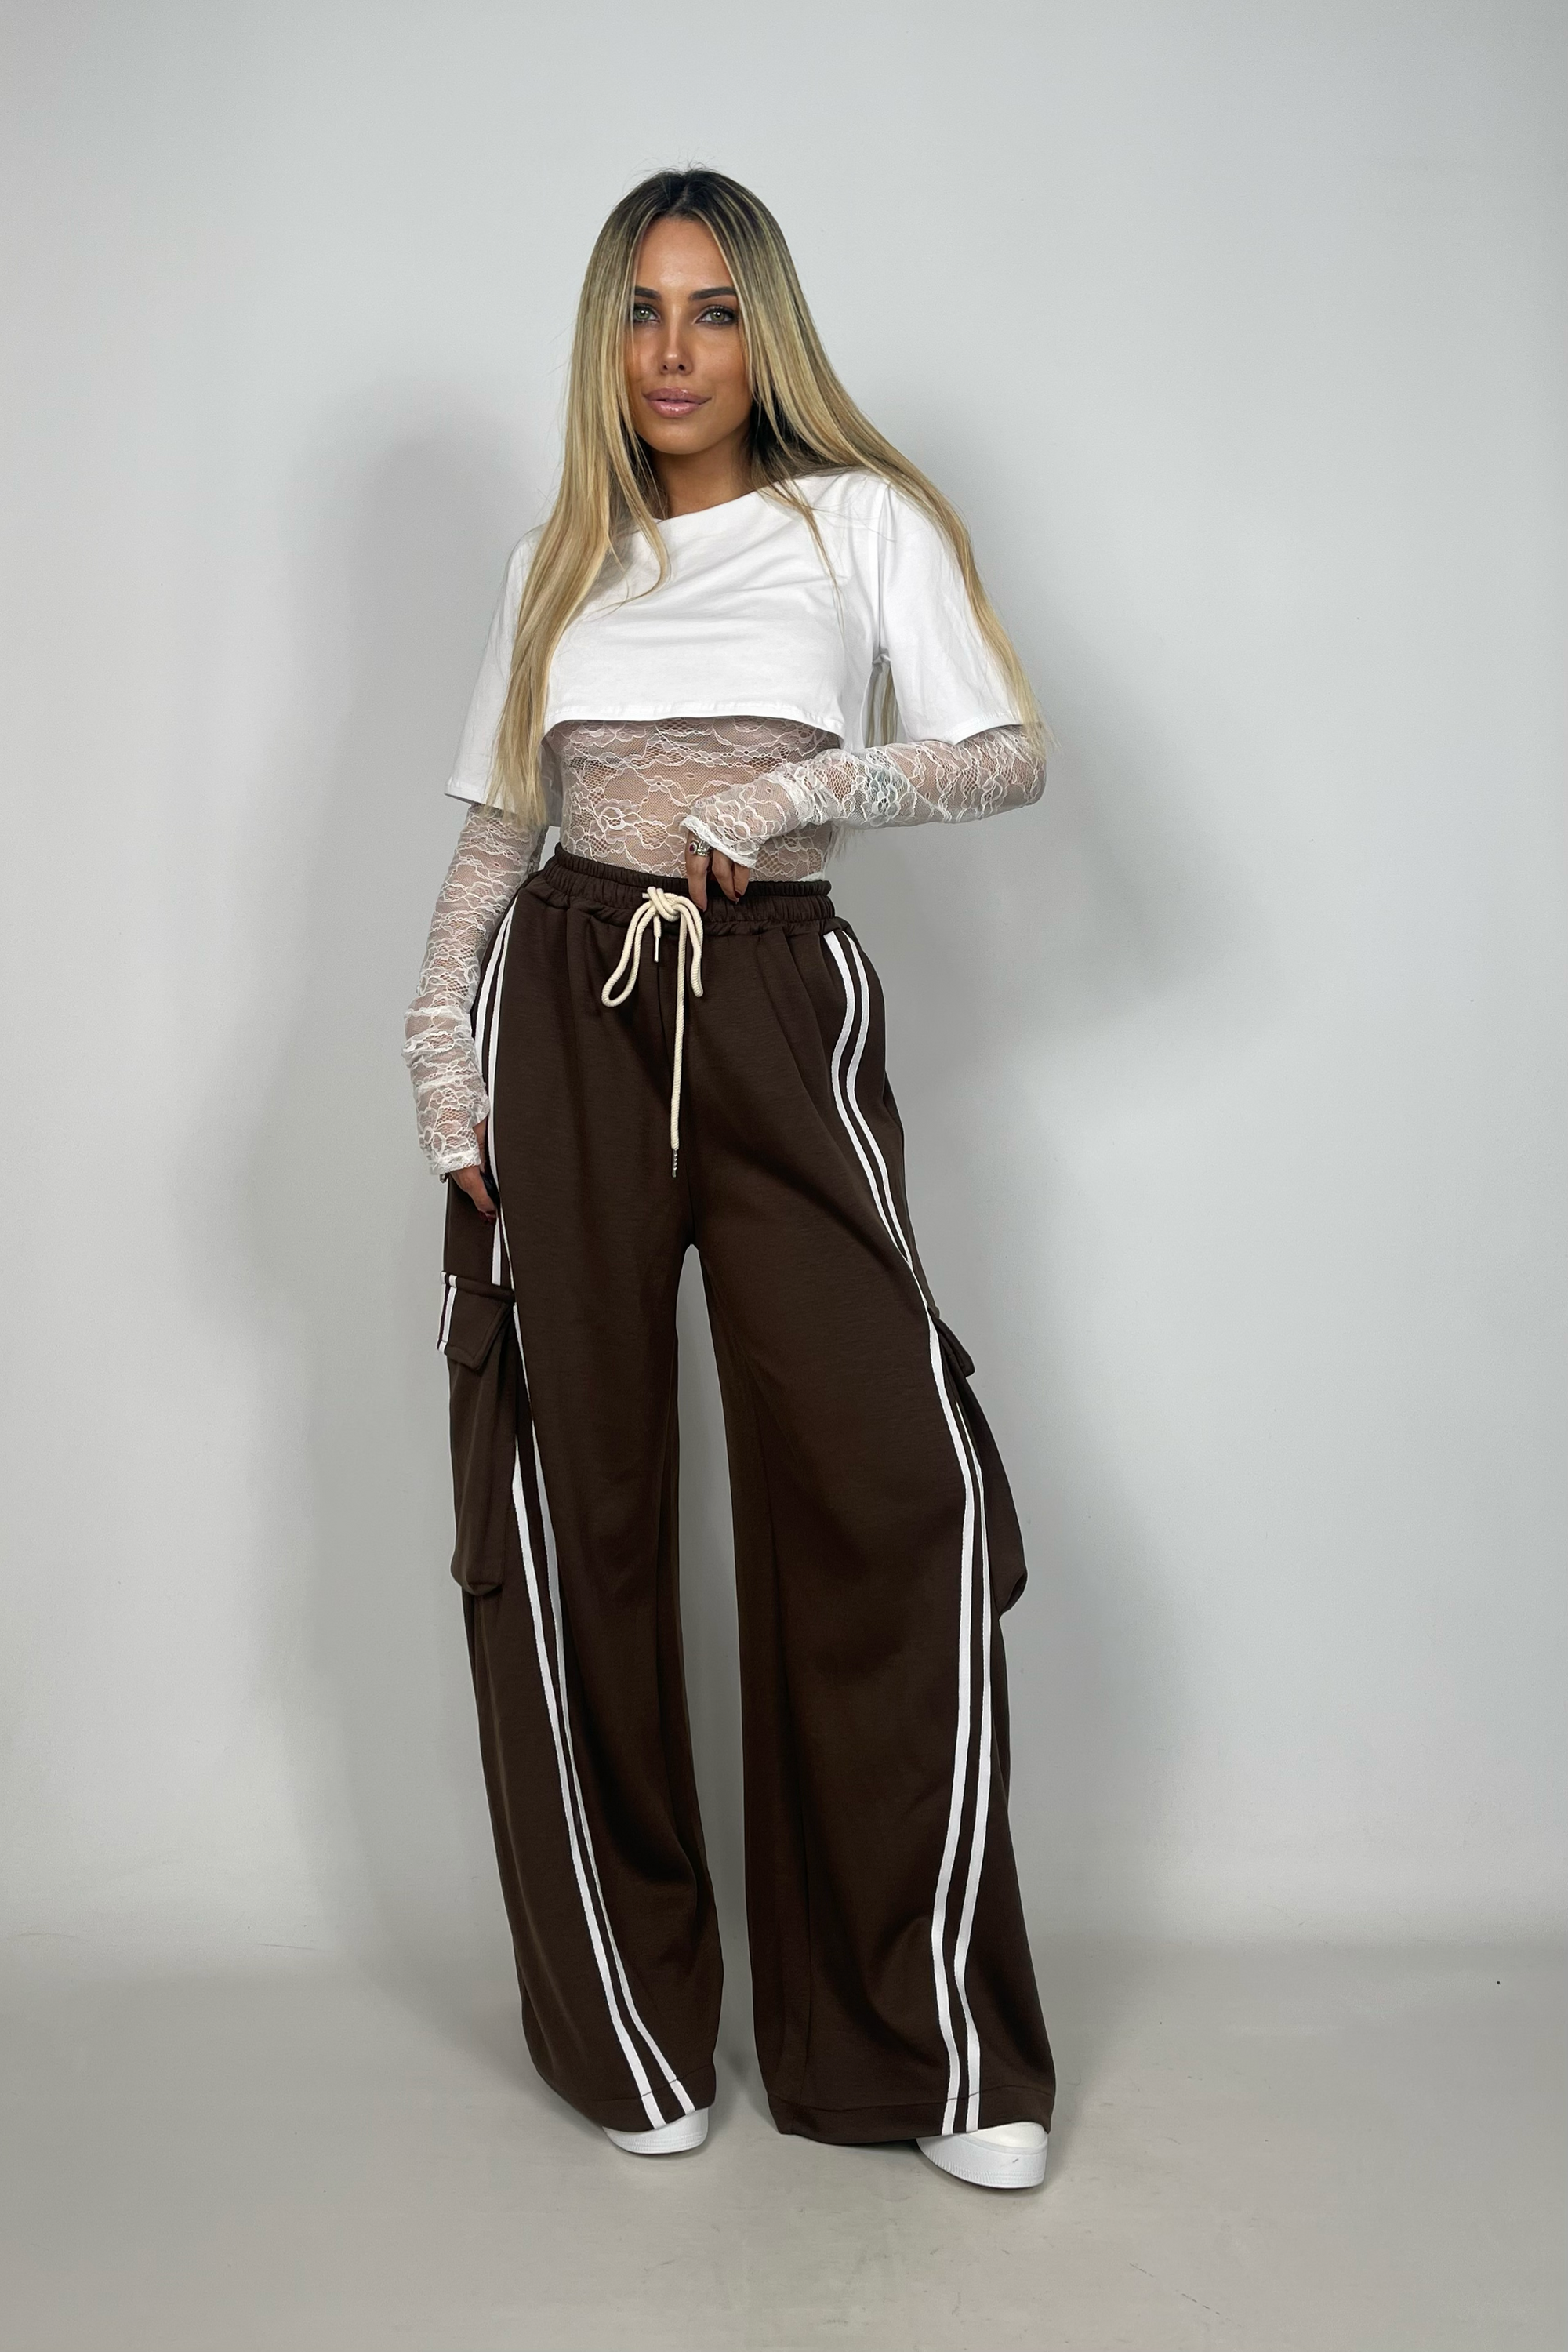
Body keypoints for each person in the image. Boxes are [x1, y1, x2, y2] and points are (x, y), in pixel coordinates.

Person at [404, 167, 1058, 2192]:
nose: (673, 352)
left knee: (888, 1489)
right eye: (638, 310)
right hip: (563, 1013)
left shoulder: (862, 522)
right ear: (600, 337)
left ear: (766, 329)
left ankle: (917, 2048)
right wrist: (443, 1070)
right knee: (576, 1501)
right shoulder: (555, 561)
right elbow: (494, 841)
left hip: (772, 993)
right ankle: (631, 2024)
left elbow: (1002, 750)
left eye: (711, 309)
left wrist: (799, 787)